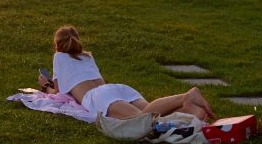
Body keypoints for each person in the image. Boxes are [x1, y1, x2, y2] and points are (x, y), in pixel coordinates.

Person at [38, 25, 215, 122]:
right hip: (116, 89)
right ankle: (192, 111)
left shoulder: (59, 57)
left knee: (142, 120)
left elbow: (59, 93)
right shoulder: (87, 56)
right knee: (156, 114)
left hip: (98, 96)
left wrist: (46, 86)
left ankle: (186, 96)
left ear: (58, 45)